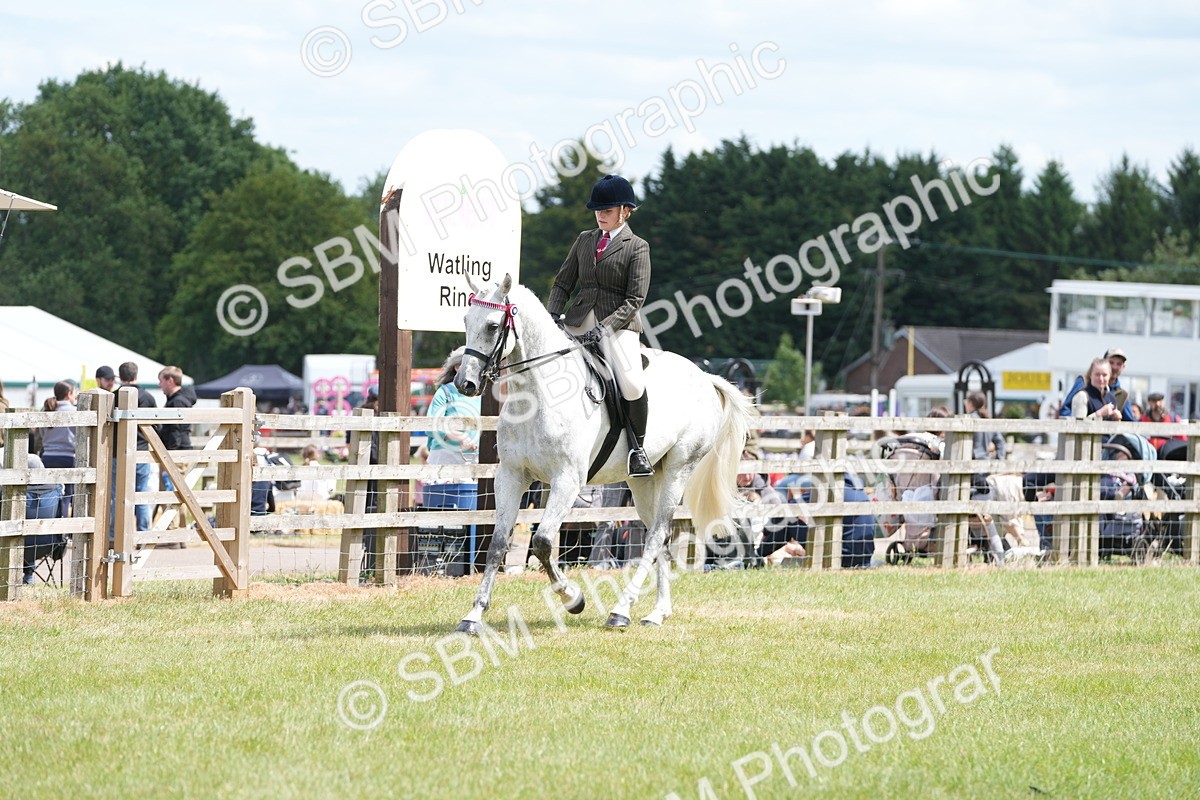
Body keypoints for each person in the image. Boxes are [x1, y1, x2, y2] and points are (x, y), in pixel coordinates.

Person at [547, 173, 654, 478]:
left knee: (632, 383)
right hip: (579, 319)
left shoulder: (637, 247)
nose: (601, 216)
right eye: (598, 211)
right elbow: (562, 283)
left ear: (625, 211)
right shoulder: (584, 239)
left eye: (607, 211)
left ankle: (638, 449)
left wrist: (604, 328)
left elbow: (635, 299)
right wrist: (552, 315)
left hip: (618, 324)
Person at [424, 347, 482, 574]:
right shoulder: (445, 393)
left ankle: (467, 562)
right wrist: (461, 438)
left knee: (471, 510)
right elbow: (435, 423)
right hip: (445, 456)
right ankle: (439, 562)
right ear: (457, 367)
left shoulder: (482, 394)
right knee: (443, 512)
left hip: (475, 460)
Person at [116, 361, 157, 533]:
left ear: (120, 377)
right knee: (140, 494)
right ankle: (143, 534)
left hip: (118, 452)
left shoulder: (113, 396)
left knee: (116, 495)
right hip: (140, 450)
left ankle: (114, 535)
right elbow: (157, 426)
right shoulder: (148, 397)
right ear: (136, 375)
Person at [23, 453, 65, 585]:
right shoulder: (56, 488)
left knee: (23, 536)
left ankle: (28, 575)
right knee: (31, 536)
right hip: (49, 544)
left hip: (15, 545)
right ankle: (29, 575)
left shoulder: (14, 491)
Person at [38, 380, 78, 518]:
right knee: (69, 495)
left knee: (50, 494)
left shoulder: (47, 410)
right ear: (69, 394)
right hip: (68, 457)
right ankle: (66, 531)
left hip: (48, 456)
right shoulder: (75, 412)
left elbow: (41, 434)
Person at [1059, 348, 1134, 420]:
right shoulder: (1083, 383)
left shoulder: (1121, 395)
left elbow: (1129, 423)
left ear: (1123, 367)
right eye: (1111, 362)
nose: (1114, 367)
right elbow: (1066, 411)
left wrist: (1116, 419)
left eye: (1119, 364)